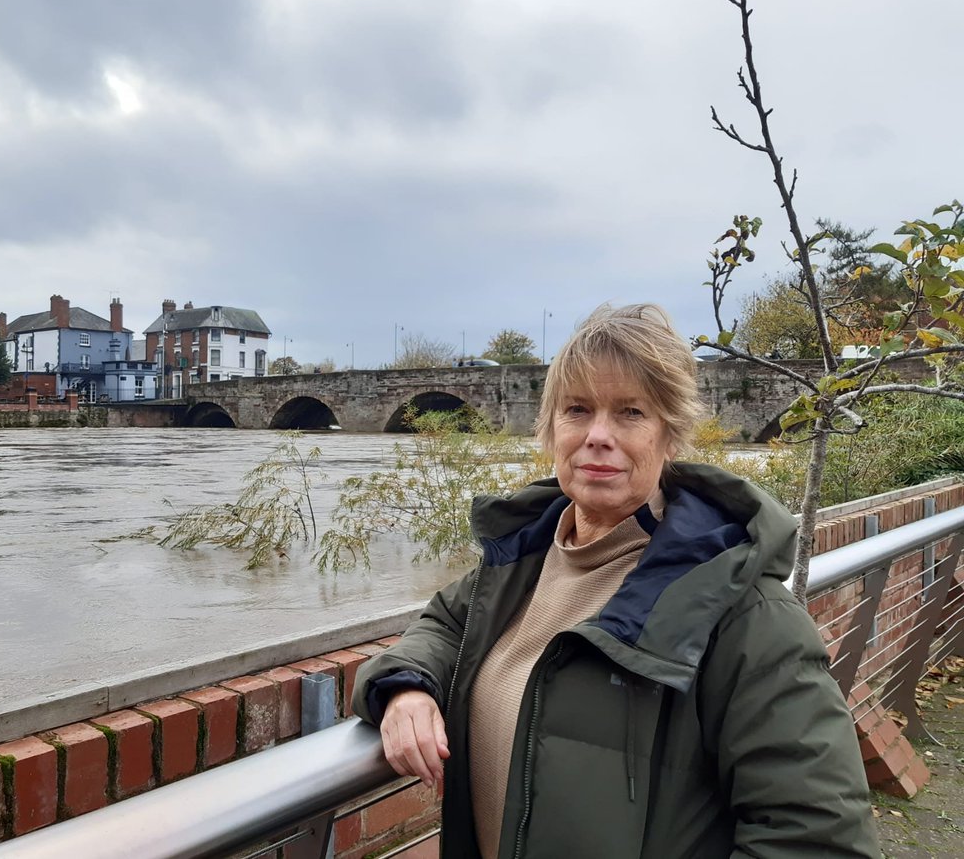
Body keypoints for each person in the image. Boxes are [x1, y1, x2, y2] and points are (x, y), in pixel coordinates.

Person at [351, 304, 880, 859]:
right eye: (577, 409)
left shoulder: (744, 610)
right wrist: (406, 686)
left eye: (631, 412)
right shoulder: (518, 560)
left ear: (670, 436)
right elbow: (441, 625)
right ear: (551, 428)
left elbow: (819, 838)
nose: (598, 435)